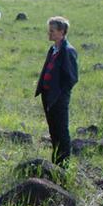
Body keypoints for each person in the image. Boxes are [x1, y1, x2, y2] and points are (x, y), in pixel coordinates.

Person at [35, 16, 78, 166]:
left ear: (62, 32)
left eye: (52, 31)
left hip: (58, 97)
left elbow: (71, 78)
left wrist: (59, 93)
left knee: (61, 131)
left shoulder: (68, 51)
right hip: (48, 96)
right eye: (49, 30)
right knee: (53, 130)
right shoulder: (53, 49)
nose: (49, 33)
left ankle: (63, 165)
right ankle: (56, 162)